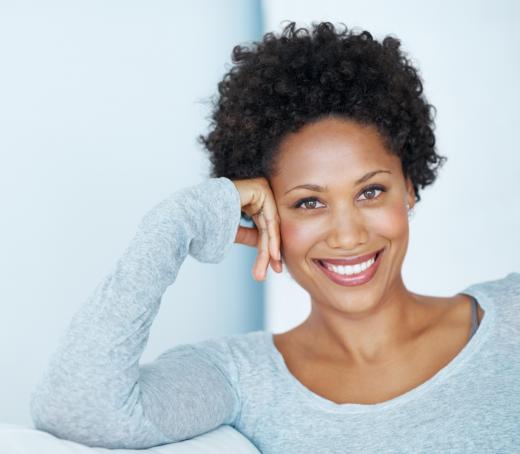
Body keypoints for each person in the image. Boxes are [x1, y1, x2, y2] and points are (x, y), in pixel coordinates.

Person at [30, 21, 520, 453]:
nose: (348, 235)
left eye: (371, 191)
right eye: (309, 202)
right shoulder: (241, 378)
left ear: (409, 187)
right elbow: (79, 409)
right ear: (263, 215)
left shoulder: (510, 321)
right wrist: (175, 223)